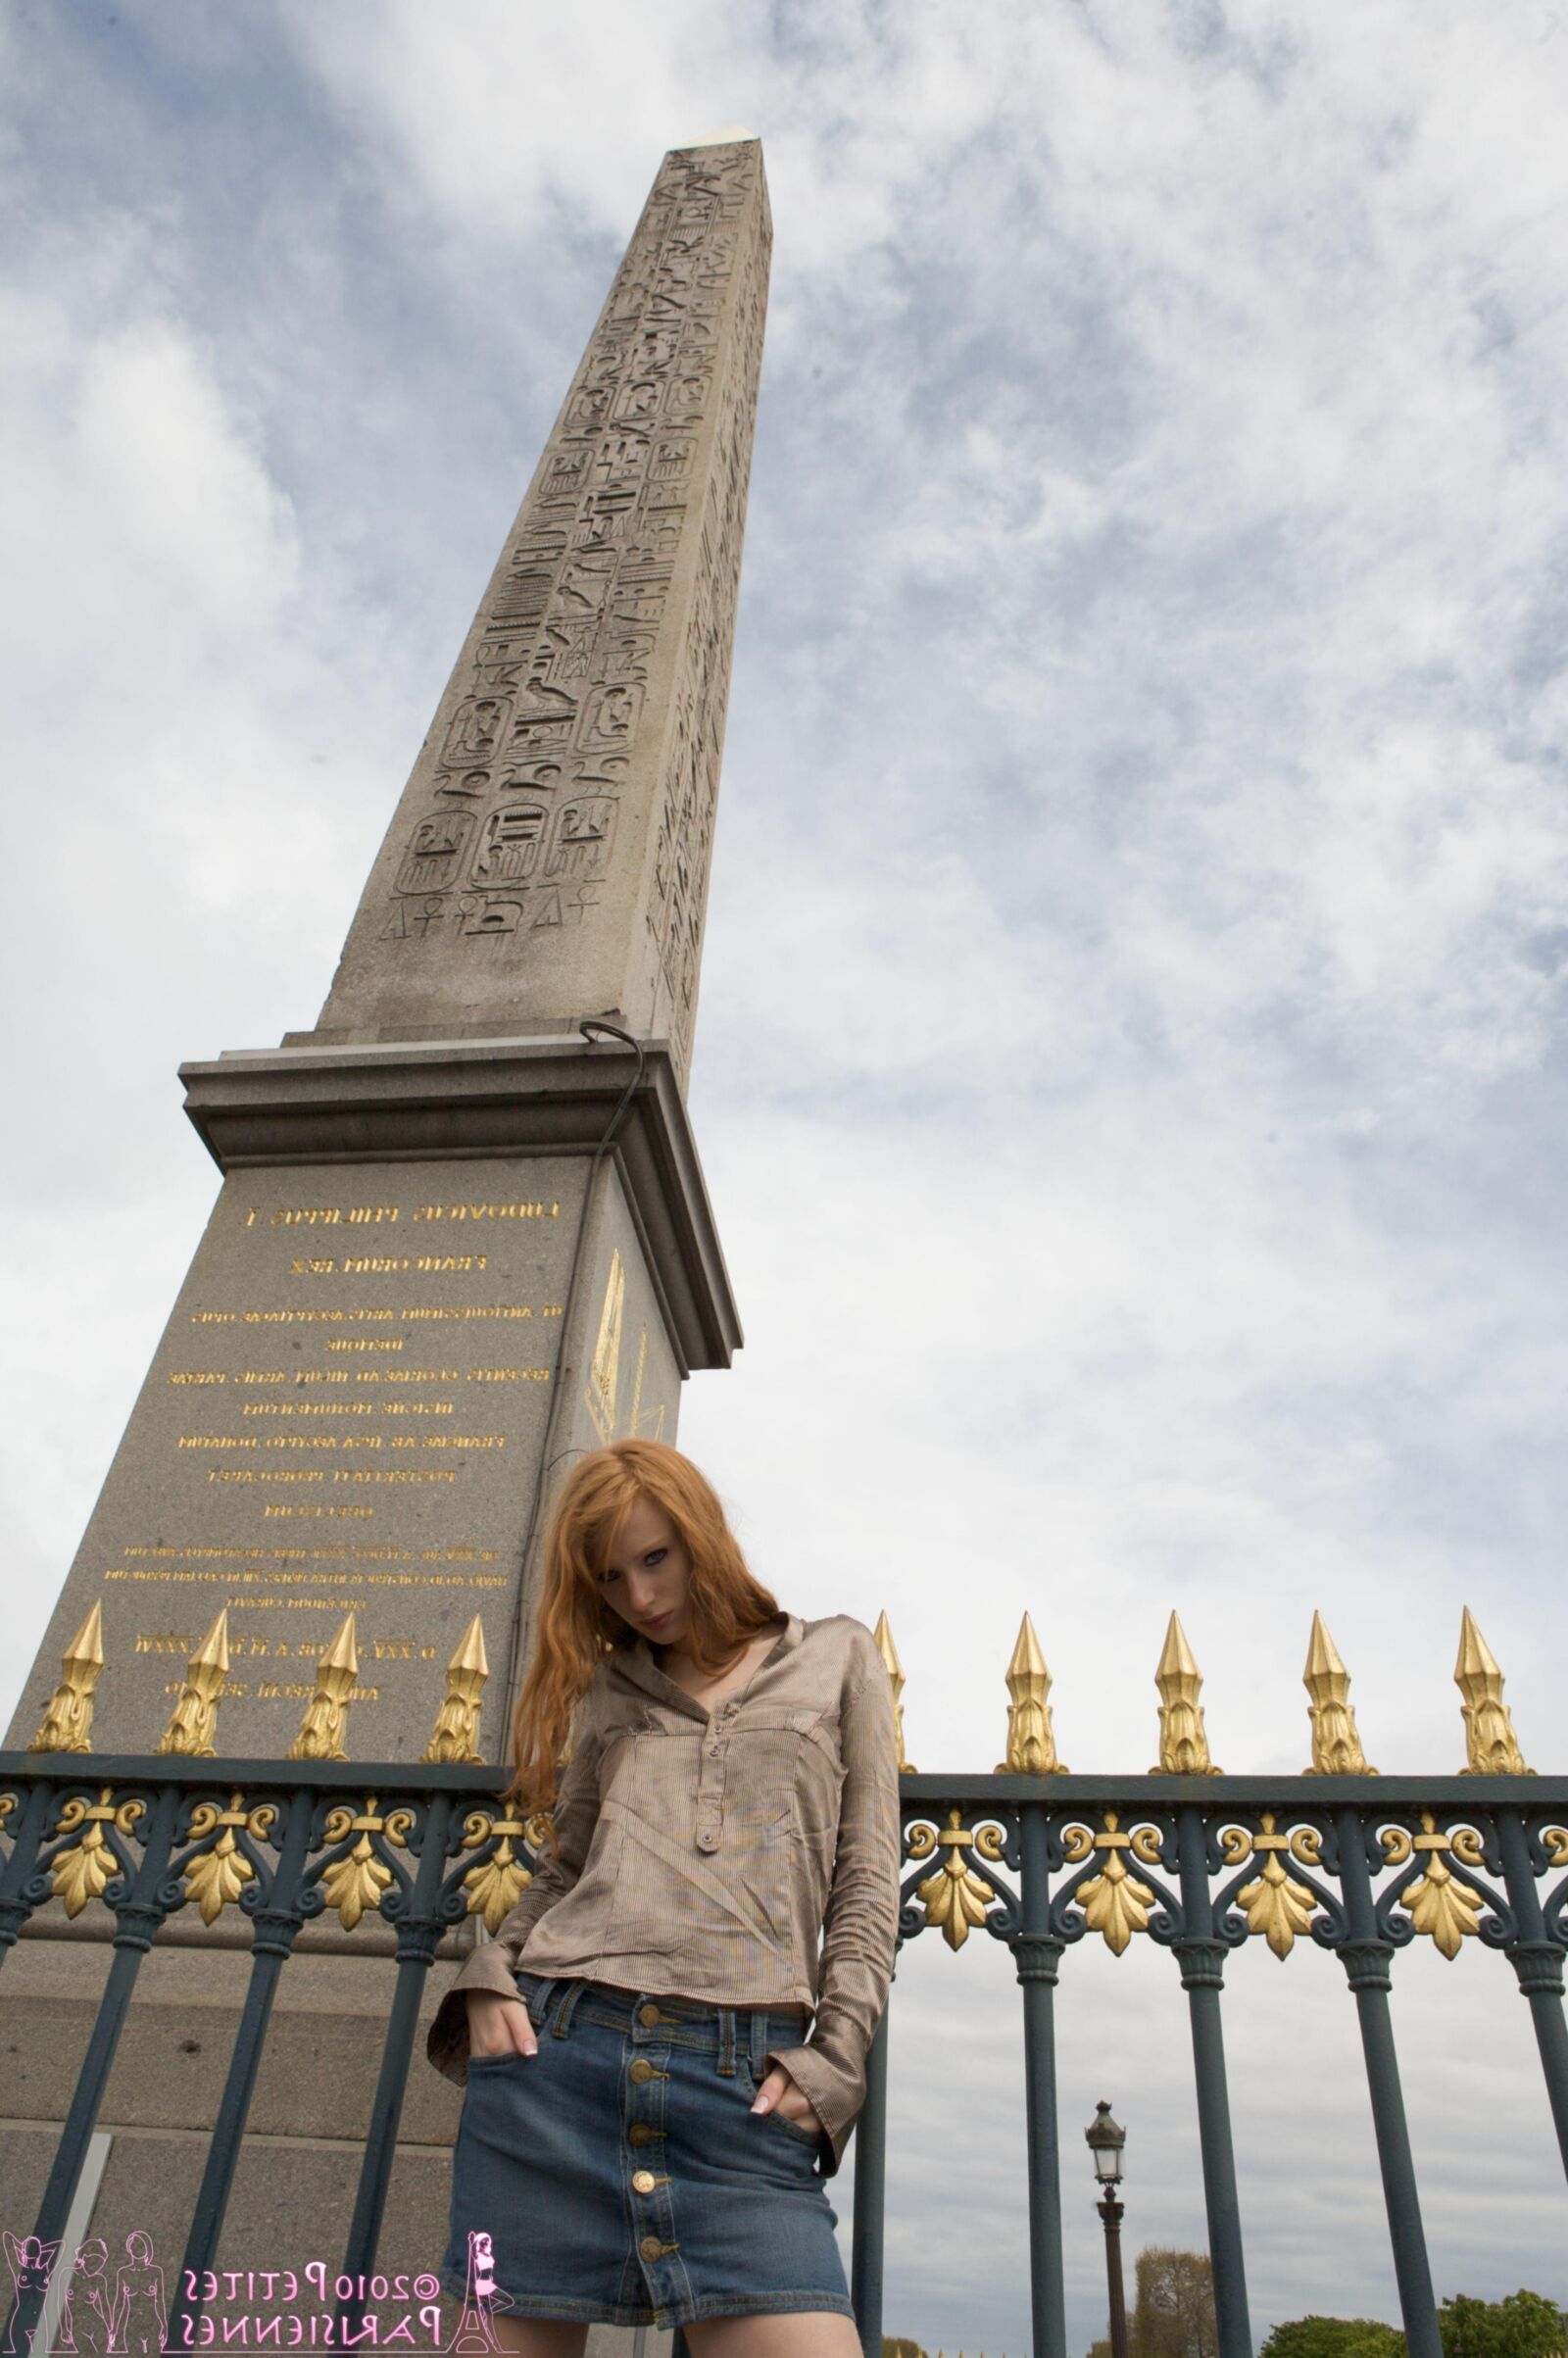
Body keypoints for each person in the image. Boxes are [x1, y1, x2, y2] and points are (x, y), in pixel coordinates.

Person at [426, 1438, 902, 2355]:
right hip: (554, 2066)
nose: (640, 1599)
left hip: (739, 2089)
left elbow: (866, 1876)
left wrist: (838, 2057)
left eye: (656, 1559)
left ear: (703, 1537)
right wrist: (490, 1973)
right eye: (610, 1581)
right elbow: (564, 1870)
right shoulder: (611, 1689)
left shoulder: (837, 1658)